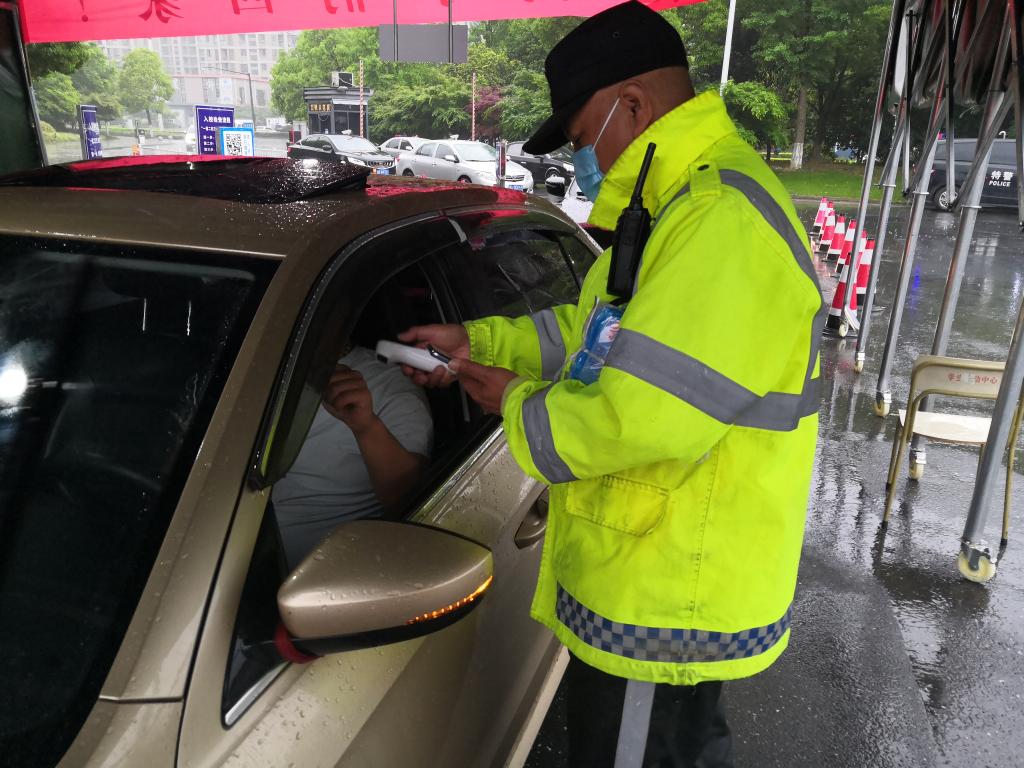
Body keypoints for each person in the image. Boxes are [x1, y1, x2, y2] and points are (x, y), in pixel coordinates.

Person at [399, 3, 823, 766]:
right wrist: (481, 340)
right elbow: (601, 334)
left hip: (667, 597)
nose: (579, 156)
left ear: (632, 105)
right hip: (659, 579)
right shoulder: (677, 206)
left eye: (578, 135)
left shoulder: (718, 219)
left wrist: (513, 401)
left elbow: (639, 417)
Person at [273, 343, 433, 569]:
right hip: (243, 544)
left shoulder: (389, 384)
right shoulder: (266, 372)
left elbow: (410, 498)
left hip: (325, 571)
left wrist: (366, 426)